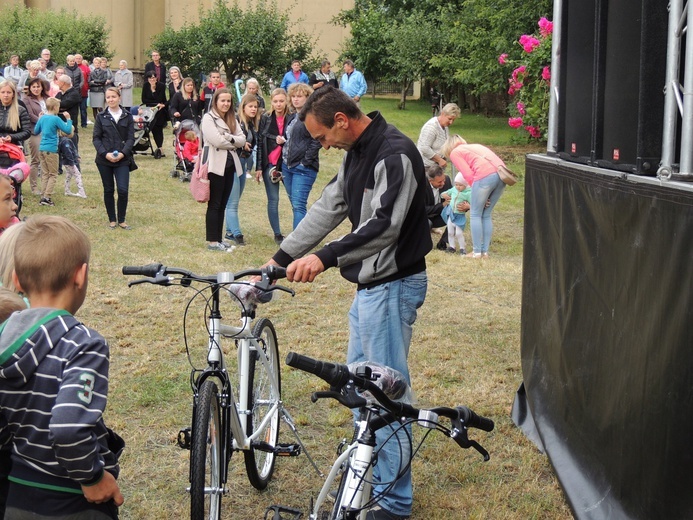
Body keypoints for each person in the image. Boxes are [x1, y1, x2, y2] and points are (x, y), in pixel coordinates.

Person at [264, 86, 431, 520]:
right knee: (362, 391)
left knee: (385, 394)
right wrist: (279, 260)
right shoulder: (357, 151)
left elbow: (384, 227)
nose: (323, 146)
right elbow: (327, 207)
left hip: (392, 287)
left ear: (342, 119)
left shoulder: (393, 153)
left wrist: (324, 257)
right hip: (370, 290)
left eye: (322, 138)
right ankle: (366, 477)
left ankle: (392, 504)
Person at [0, 214, 125, 519]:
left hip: (17, 494)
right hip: (74, 500)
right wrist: (93, 478)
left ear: (16, 279)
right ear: (80, 276)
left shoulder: (4, 334)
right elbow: (68, 428)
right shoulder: (83, 344)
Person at [442, 134, 507, 258]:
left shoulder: (456, 152)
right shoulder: (475, 146)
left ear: (449, 148)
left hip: (484, 176)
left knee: (475, 214)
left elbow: (467, 174)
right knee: (486, 214)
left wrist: (476, 191)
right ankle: (485, 252)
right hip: (502, 174)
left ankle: (476, 252)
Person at [200, 87, 245, 251]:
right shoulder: (208, 118)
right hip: (215, 166)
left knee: (224, 203)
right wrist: (232, 142)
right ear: (216, 102)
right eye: (222, 100)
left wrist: (228, 138)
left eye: (228, 101)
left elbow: (242, 139)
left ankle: (219, 239)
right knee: (215, 203)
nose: (226, 104)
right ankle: (212, 241)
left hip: (230, 165)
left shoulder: (232, 118)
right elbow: (216, 141)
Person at [93, 87, 136, 230]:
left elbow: (131, 138)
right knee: (108, 189)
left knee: (123, 189)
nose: (111, 100)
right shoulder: (101, 116)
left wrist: (124, 153)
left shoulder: (127, 116)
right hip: (104, 159)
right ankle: (112, 219)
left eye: (113, 97)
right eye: (108, 97)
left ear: (119, 98)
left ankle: (122, 219)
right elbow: (96, 139)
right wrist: (105, 154)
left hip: (123, 159)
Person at [282, 82, 321, 229]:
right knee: (295, 204)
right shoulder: (292, 116)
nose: (295, 99)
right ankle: (301, 236)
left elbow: (317, 140)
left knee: (299, 205)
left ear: (308, 98)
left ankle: (297, 243)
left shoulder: (311, 116)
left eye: (299, 96)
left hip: (303, 168)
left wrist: (305, 161)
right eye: (293, 96)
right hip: (287, 166)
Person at [224, 93, 260, 246]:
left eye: (255, 107)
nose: (253, 109)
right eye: (250, 106)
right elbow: (225, 138)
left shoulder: (251, 124)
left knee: (234, 199)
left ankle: (229, 231)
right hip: (232, 163)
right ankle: (237, 234)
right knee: (232, 201)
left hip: (243, 162)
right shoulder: (235, 122)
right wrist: (241, 143)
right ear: (243, 107)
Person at [255, 87, 289, 245]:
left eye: (281, 101)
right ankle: (277, 233)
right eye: (275, 101)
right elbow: (260, 141)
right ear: (271, 102)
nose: (278, 104)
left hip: (288, 163)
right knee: (273, 199)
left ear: (286, 101)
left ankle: (300, 233)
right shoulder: (266, 117)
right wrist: (259, 167)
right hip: (271, 163)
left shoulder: (293, 117)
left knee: (294, 200)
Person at [33, 97, 74, 207]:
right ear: (56, 107)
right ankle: (47, 197)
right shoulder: (56, 119)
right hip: (51, 149)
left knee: (45, 174)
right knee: (53, 174)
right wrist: (69, 119)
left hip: (42, 148)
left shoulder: (42, 118)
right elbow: (67, 130)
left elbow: (36, 131)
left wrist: (39, 119)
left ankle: (43, 195)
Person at [20, 77, 50, 195]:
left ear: (42, 87)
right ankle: (34, 187)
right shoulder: (26, 99)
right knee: (36, 160)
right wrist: (43, 121)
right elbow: (29, 115)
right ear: (30, 88)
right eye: (34, 87)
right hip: (35, 131)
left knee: (47, 160)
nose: (36, 89)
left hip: (49, 132)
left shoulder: (47, 98)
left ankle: (45, 186)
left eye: (38, 86)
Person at [416, 102, 461, 169]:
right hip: (426, 167)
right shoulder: (431, 127)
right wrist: (439, 160)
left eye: (453, 120)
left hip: (437, 167)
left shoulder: (445, 126)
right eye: (449, 119)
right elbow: (424, 148)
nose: (451, 122)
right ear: (443, 114)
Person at [440, 172, 472, 254]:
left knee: (458, 233)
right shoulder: (454, 189)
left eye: (460, 185)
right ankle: (452, 246)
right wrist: (444, 195)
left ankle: (462, 248)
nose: (458, 187)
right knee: (450, 232)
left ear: (465, 185)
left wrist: (469, 206)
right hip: (451, 213)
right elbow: (443, 194)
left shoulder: (468, 193)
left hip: (459, 215)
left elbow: (474, 204)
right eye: (456, 184)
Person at [424, 164, 453, 251]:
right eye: (439, 182)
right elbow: (423, 210)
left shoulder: (447, 180)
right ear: (430, 181)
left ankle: (443, 243)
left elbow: (456, 196)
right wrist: (442, 205)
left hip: (440, 216)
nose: (443, 183)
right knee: (427, 223)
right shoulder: (421, 186)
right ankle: (425, 244)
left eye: (443, 180)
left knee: (455, 218)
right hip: (424, 218)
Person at [141, 70, 168, 158]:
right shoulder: (145, 86)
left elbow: (160, 98)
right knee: (148, 128)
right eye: (150, 78)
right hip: (149, 110)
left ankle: (160, 148)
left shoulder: (161, 86)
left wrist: (153, 90)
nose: (152, 79)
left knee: (158, 129)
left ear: (156, 78)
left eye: (153, 77)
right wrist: (154, 102)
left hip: (159, 110)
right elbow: (144, 100)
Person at [0, 80, 31, 146]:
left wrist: (12, 137)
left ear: (13, 94)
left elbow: (27, 131)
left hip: (14, 146)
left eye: (8, 92)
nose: (6, 95)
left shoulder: (21, 110)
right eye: (3, 92)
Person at [55, 74, 81, 148]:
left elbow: (63, 104)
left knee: (71, 150)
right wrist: (59, 107)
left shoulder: (74, 94)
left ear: (63, 83)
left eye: (58, 81)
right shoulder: (59, 94)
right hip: (59, 126)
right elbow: (53, 105)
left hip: (70, 128)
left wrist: (59, 106)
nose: (57, 83)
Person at [60, 133, 86, 198]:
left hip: (66, 161)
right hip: (69, 162)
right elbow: (68, 152)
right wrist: (72, 162)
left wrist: (77, 156)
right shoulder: (66, 141)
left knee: (68, 175)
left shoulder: (65, 140)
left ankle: (67, 190)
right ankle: (81, 192)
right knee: (77, 175)